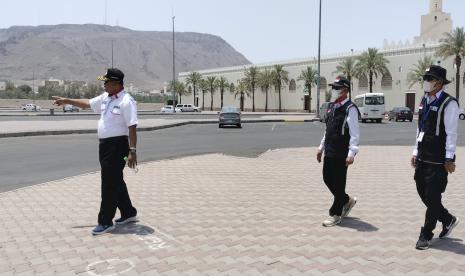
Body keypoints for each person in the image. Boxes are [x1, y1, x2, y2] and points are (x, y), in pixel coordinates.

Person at [52, 68, 138, 235]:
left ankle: (105, 221)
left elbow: (132, 127)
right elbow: (87, 103)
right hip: (105, 146)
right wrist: (67, 101)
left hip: (118, 146)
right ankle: (128, 212)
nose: (104, 85)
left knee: (108, 183)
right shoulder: (106, 97)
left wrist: (132, 150)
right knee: (115, 180)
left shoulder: (127, 101)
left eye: (106, 82)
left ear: (116, 84)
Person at [411, 65, 460, 250]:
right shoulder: (425, 99)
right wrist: (415, 151)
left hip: (438, 159)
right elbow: (420, 128)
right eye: (426, 78)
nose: (426, 81)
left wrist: (449, 159)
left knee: (432, 197)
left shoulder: (449, 104)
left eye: (430, 79)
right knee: (423, 192)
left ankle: (426, 234)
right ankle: (447, 219)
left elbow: (452, 133)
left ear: (439, 82)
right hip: (423, 155)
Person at [317, 76, 360, 227]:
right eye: (333, 87)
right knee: (327, 178)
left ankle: (336, 214)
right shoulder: (332, 106)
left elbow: (354, 133)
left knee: (339, 183)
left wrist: (352, 153)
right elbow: (327, 129)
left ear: (345, 90)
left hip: (341, 152)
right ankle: (346, 200)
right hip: (329, 149)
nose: (333, 90)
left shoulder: (350, 108)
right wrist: (321, 147)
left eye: (337, 87)